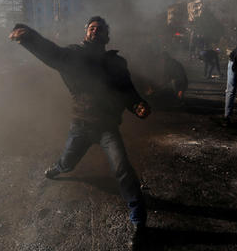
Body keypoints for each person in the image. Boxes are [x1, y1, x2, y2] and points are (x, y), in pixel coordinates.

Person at [9, 16, 151, 232]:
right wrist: (29, 37)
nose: (95, 31)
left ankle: (138, 216)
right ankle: (58, 168)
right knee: (68, 161)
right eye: (92, 28)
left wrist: (138, 105)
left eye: (100, 28)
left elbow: (127, 91)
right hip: (81, 125)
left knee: (122, 168)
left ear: (106, 35)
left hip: (107, 128)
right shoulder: (74, 55)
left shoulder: (117, 63)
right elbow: (52, 53)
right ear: (86, 33)